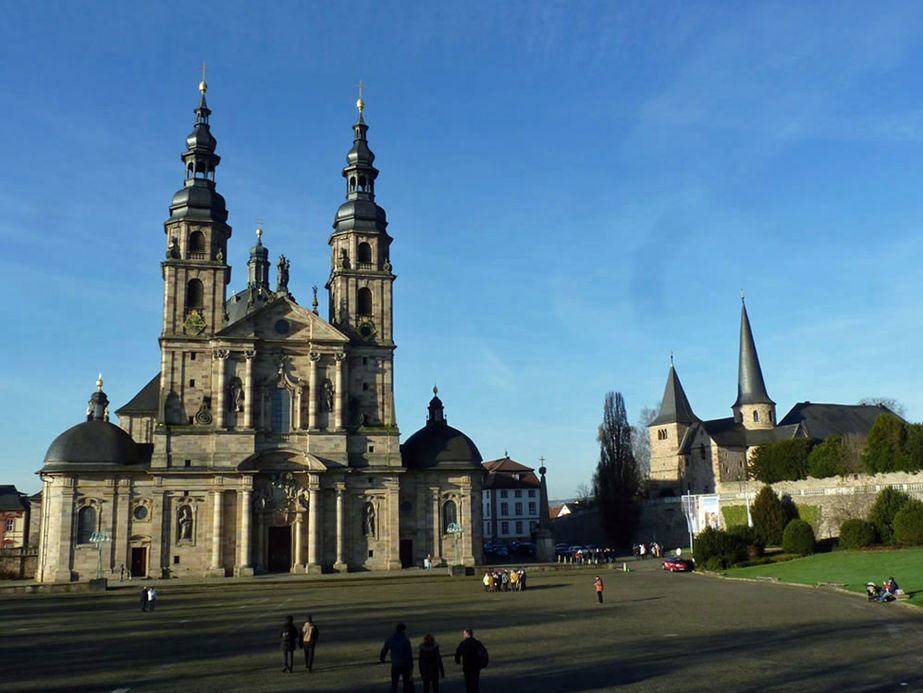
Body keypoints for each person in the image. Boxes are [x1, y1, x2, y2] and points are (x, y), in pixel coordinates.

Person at [380, 622, 413, 692]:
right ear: (402, 630)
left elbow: (385, 649)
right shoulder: (405, 639)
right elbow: (409, 653)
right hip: (404, 664)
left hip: (395, 664)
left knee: (394, 683)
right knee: (406, 683)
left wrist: (382, 658)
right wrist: (410, 664)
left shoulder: (391, 638)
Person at [455, 628, 488, 693]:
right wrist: (484, 663)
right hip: (476, 666)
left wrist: (457, 661)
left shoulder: (463, 643)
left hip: (467, 666)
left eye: (464, 634)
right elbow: (484, 653)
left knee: (468, 684)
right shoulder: (477, 643)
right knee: (475, 684)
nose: (463, 635)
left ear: (467, 634)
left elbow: (458, 653)